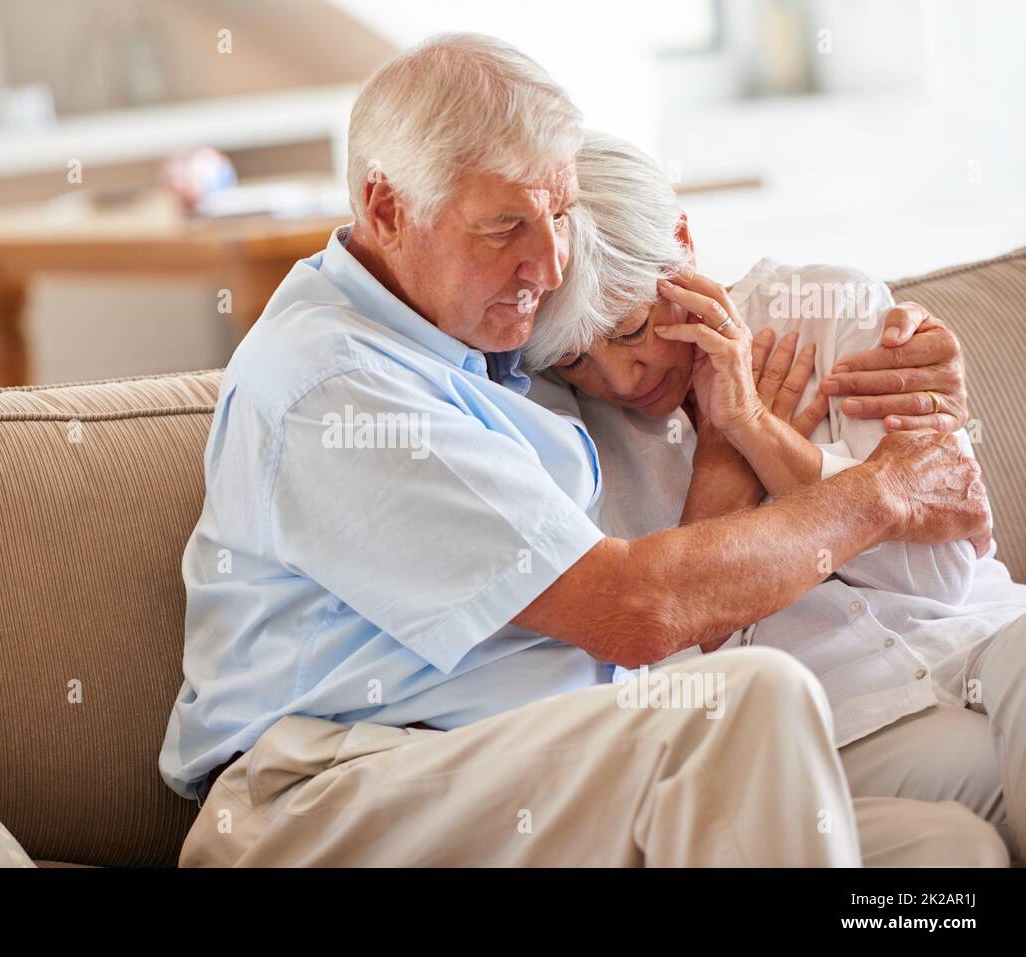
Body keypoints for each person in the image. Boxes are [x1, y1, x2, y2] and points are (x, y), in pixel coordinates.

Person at [160, 33, 1002, 866]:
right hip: (339, 789)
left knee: (941, 852)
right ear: (387, 210)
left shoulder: (482, 345)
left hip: (541, 766)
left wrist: (915, 387)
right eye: (505, 226)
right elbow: (636, 610)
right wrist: (883, 491)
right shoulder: (334, 385)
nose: (550, 261)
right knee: (749, 701)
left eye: (557, 212)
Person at [525, 128, 1026, 859]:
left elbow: (940, 574)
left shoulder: (826, 306)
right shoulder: (565, 443)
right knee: (956, 846)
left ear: (683, 244)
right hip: (844, 724)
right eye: (576, 361)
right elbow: (659, 690)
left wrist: (760, 431)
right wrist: (722, 471)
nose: (623, 378)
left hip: (979, 645)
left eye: (634, 328)